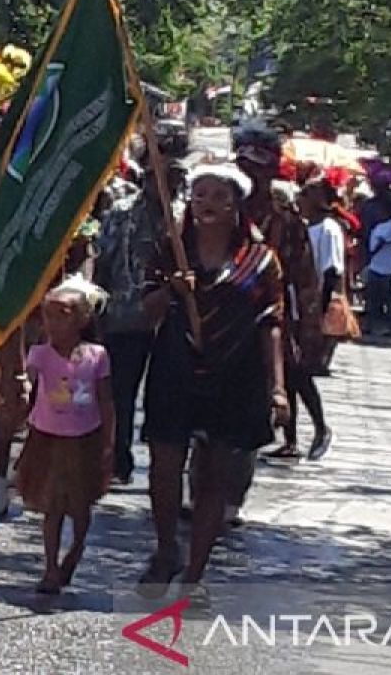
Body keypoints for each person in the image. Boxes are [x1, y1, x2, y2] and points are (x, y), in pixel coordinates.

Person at [137, 164, 289, 607]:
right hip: (175, 366)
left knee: (214, 477)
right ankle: (166, 550)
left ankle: (195, 573)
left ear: (236, 205)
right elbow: (146, 309)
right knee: (165, 466)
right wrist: (171, 290)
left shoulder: (261, 260)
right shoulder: (171, 251)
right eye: (200, 195)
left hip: (235, 374)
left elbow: (272, 325)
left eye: (218, 197)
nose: (207, 204)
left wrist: (277, 388)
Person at [228, 122, 322, 521]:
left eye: (258, 168)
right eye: (244, 166)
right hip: (216, 324)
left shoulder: (288, 221)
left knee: (250, 413)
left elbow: (305, 281)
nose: (250, 175)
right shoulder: (219, 209)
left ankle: (233, 494)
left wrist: (308, 333)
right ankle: (199, 487)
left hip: (267, 327)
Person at [92, 130, 188, 485]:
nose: (169, 183)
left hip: (173, 323)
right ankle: (118, 458)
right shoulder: (122, 212)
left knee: (166, 396)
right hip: (125, 317)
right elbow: (104, 262)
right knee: (120, 393)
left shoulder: (188, 217)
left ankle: (167, 463)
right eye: (162, 175)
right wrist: (98, 311)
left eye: (176, 176)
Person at [17, 276, 115, 594]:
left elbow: (105, 399)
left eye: (64, 313)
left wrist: (109, 441)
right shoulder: (40, 354)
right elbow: (28, 383)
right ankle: (49, 568)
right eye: (49, 314)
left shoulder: (97, 355)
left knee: (80, 503)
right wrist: (22, 389)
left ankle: (75, 550)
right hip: (47, 435)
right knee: (52, 505)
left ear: (83, 318)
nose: (54, 321)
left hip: (85, 437)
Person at [265, 180, 336, 460]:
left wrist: (315, 314)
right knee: (287, 379)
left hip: (297, 307)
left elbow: (316, 274)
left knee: (299, 374)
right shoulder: (276, 224)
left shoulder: (301, 228)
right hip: (282, 303)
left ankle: (320, 426)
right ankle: (290, 439)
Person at [365, 198, 391, 336]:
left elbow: (382, 242)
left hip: (385, 268)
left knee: (387, 299)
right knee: (372, 299)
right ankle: (371, 325)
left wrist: (371, 253)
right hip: (375, 266)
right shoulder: (378, 226)